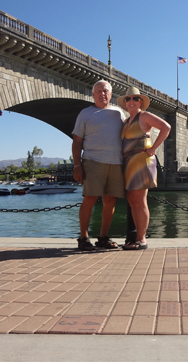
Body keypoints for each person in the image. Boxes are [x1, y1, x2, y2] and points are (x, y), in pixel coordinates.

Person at [71, 80, 125, 251]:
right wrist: (77, 165)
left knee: (110, 201)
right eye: (99, 91)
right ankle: (84, 237)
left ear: (111, 94)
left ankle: (103, 237)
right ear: (93, 94)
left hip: (116, 163)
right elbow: (77, 141)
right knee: (90, 199)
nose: (103, 94)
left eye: (106, 91)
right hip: (93, 161)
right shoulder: (85, 113)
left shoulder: (119, 113)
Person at [117, 87, 171, 250]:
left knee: (139, 200)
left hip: (142, 160)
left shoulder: (144, 116)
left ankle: (141, 239)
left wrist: (153, 148)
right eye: (128, 99)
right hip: (129, 162)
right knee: (133, 200)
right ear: (125, 103)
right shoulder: (126, 121)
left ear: (140, 101)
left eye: (135, 98)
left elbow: (166, 127)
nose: (131, 101)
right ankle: (135, 237)